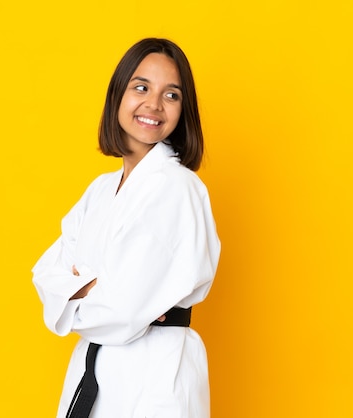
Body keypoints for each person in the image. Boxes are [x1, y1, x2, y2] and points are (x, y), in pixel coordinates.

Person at [32, 37, 221, 418]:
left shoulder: (176, 189)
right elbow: (44, 275)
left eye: (171, 95)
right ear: (118, 94)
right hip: (94, 368)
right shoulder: (99, 191)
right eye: (141, 87)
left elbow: (123, 310)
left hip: (155, 376)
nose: (153, 104)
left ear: (183, 111)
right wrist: (98, 291)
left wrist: (80, 288)